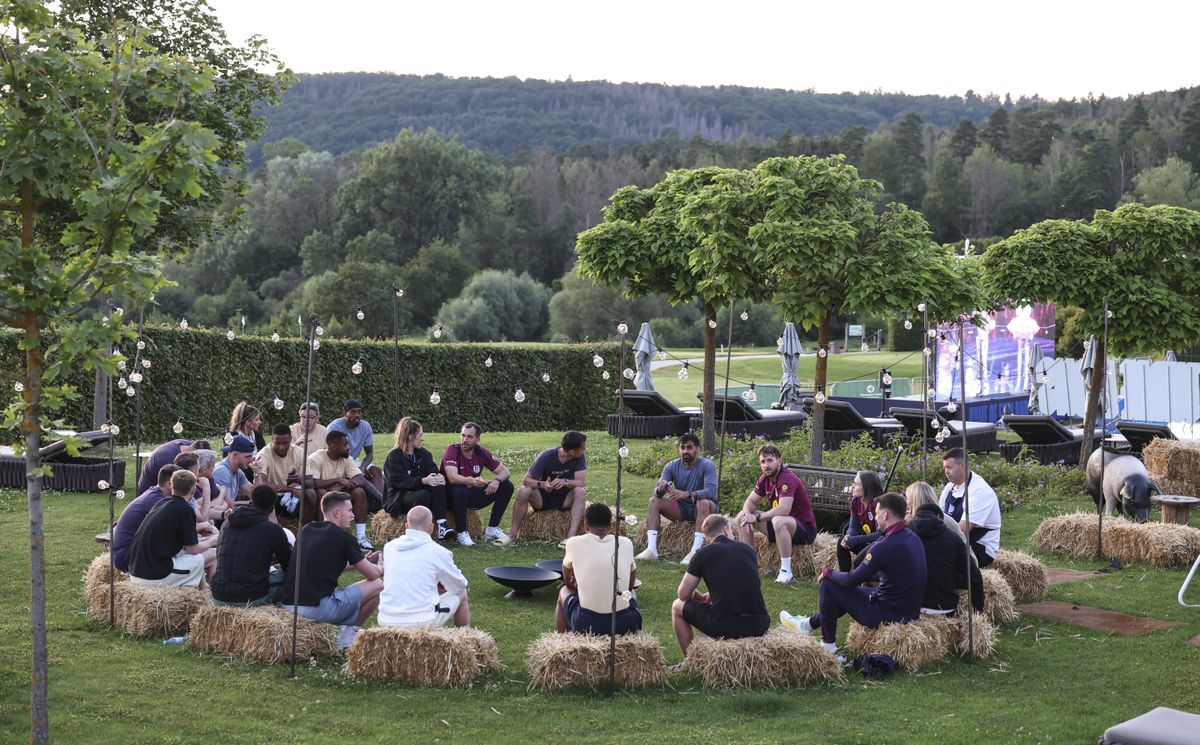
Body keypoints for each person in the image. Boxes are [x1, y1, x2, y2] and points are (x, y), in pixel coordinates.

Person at [779, 493, 927, 657]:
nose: (876, 518)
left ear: (885, 515)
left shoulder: (884, 546)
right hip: (908, 610)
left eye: (877, 514)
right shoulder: (913, 538)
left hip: (886, 613)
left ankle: (828, 647)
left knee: (829, 585)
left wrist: (828, 572)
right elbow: (899, 574)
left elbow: (851, 580)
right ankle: (806, 625)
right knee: (842, 592)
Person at [280, 491, 383, 649]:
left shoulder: (307, 530)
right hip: (315, 610)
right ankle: (348, 637)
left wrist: (363, 562)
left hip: (287, 607)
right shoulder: (344, 537)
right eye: (349, 510)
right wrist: (380, 566)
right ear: (337, 512)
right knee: (377, 585)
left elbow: (326, 564)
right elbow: (373, 574)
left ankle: (343, 629)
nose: (353, 515)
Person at [671, 514, 769, 659]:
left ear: (707, 538)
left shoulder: (702, 554)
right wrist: (709, 596)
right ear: (725, 530)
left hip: (726, 626)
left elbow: (683, 595)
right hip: (759, 623)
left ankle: (690, 661)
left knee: (677, 606)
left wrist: (698, 597)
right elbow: (738, 581)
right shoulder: (748, 550)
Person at [377, 506, 470, 628]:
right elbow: (459, 585)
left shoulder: (389, 547)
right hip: (423, 621)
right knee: (462, 593)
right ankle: (464, 638)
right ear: (431, 528)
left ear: (406, 526)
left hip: (385, 619)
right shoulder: (439, 552)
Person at [736, 444, 817, 584]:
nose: (766, 465)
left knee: (778, 520)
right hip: (779, 528)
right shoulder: (764, 479)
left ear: (779, 461)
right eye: (762, 461)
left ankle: (786, 571)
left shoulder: (787, 478)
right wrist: (748, 515)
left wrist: (756, 517)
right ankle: (749, 566)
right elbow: (750, 502)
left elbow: (783, 510)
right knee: (741, 517)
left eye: (769, 460)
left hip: (804, 530)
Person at [556, 503, 640, 635]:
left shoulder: (573, 542)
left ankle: (563, 642)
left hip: (586, 623)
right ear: (610, 526)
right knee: (632, 593)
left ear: (585, 525)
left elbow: (568, 582)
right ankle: (634, 636)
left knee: (564, 590)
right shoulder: (626, 543)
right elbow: (629, 586)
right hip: (626, 622)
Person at [127, 470, 219, 587]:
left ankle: (203, 591)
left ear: (172, 486)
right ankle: (215, 596)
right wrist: (213, 541)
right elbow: (193, 550)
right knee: (213, 553)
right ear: (193, 490)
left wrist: (207, 541)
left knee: (197, 555)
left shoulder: (161, 503)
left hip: (136, 572)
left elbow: (185, 546)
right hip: (156, 575)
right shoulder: (185, 509)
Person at [637, 433, 717, 565]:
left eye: (690, 447)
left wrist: (688, 494)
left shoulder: (707, 465)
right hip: (681, 509)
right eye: (682, 447)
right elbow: (657, 490)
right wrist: (661, 489)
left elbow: (711, 491)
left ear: (698, 449)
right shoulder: (671, 465)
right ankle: (651, 549)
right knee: (653, 501)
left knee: (702, 503)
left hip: (704, 509)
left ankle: (695, 551)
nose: (685, 451)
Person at [502, 431, 588, 548]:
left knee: (580, 491)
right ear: (572, 452)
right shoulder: (547, 456)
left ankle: (570, 537)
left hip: (564, 499)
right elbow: (526, 480)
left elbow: (580, 482)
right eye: (583, 448)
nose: (584, 450)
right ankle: (512, 534)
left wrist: (565, 482)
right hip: (543, 499)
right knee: (524, 490)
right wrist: (543, 484)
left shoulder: (580, 457)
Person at [211, 485, 293, 607]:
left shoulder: (227, 522)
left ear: (250, 501)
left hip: (217, 595)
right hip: (250, 598)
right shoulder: (273, 529)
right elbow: (289, 566)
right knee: (293, 578)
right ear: (271, 508)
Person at [382, 416, 456, 542]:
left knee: (436, 484)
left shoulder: (424, 454)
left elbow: (432, 471)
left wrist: (439, 477)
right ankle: (417, 533)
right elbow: (399, 482)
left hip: (421, 492)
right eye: (420, 435)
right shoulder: (394, 457)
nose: (422, 438)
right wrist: (422, 481)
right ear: (411, 437)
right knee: (423, 495)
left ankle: (442, 527)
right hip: (399, 497)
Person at [441, 422, 513, 547]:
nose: (465, 440)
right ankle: (462, 533)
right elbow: (452, 478)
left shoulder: (481, 452)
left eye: (469, 437)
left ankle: (492, 528)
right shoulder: (452, 450)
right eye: (463, 435)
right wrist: (472, 481)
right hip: (450, 497)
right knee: (460, 488)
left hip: (470, 495)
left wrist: (497, 481)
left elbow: (505, 471)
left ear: (477, 439)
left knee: (507, 486)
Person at [908, 501, 983, 614]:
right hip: (945, 608)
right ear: (939, 517)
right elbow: (974, 576)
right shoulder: (953, 539)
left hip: (910, 606)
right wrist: (978, 609)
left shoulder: (904, 535)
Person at [306, 430, 374, 551]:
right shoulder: (316, 458)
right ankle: (324, 537)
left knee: (359, 492)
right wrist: (339, 480)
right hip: (321, 496)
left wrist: (340, 486)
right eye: (345, 445)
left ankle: (361, 537)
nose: (348, 448)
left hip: (340, 494)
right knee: (322, 493)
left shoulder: (347, 458)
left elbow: (360, 479)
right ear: (333, 446)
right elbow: (313, 483)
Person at [939, 448, 1001, 567]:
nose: (946, 471)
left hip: (980, 546)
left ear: (962, 466)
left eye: (949, 467)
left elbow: (963, 529)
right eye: (945, 468)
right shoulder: (949, 488)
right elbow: (939, 516)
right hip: (958, 539)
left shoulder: (979, 491)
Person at [111, 464, 180, 573]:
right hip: (129, 560)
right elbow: (175, 530)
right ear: (170, 484)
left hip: (131, 554)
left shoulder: (154, 495)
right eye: (181, 484)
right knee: (198, 559)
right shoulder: (156, 501)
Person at [327, 399, 385, 504]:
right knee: (359, 476)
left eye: (359, 411)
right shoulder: (335, 427)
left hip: (355, 461)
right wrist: (356, 468)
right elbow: (332, 453)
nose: (357, 415)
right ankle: (383, 502)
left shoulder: (365, 426)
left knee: (376, 471)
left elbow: (370, 454)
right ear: (345, 413)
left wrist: (363, 466)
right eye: (353, 412)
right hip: (340, 461)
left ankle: (382, 503)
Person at [252, 423, 305, 516]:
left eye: (285, 443)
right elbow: (262, 483)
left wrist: (301, 478)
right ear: (272, 439)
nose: (281, 447)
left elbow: (309, 479)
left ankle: (308, 525)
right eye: (277, 443)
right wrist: (290, 489)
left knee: (310, 493)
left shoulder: (300, 453)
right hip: (272, 495)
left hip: (292, 494)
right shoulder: (263, 455)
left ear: (291, 439)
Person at [837, 470, 885, 571]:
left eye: (856, 483)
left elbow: (880, 535)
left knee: (858, 561)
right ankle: (844, 578)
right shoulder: (856, 501)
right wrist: (849, 536)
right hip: (866, 542)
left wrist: (856, 539)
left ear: (866, 486)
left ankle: (854, 581)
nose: (853, 486)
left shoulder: (878, 504)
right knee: (842, 542)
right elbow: (853, 526)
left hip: (879, 546)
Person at [135, 438, 208, 495]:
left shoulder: (188, 445)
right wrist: (206, 490)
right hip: (153, 494)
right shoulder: (166, 458)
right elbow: (180, 488)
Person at [211, 435, 254, 511]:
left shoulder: (237, 471)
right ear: (235, 455)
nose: (251, 460)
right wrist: (253, 505)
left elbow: (253, 492)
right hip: (220, 518)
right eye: (247, 457)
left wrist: (258, 473)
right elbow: (229, 505)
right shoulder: (221, 472)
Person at [228, 401, 266, 481]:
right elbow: (231, 459)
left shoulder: (257, 435)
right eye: (257, 419)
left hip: (257, 471)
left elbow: (264, 453)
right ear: (247, 422)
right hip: (240, 474)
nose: (259, 422)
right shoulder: (232, 437)